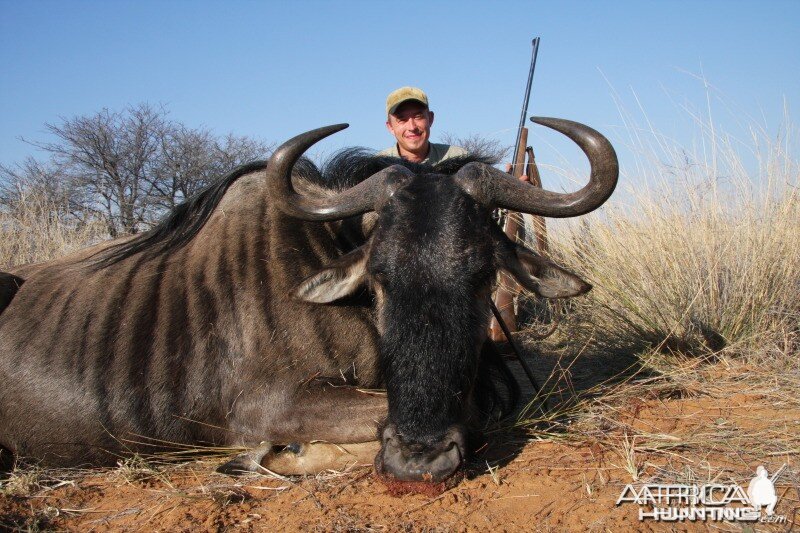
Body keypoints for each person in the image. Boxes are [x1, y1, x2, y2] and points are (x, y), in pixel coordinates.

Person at [378, 86, 529, 182]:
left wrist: (512, 187)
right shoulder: (376, 168)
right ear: (390, 127)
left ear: (430, 119)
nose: (412, 127)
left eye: (418, 117)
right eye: (402, 120)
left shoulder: (460, 158)